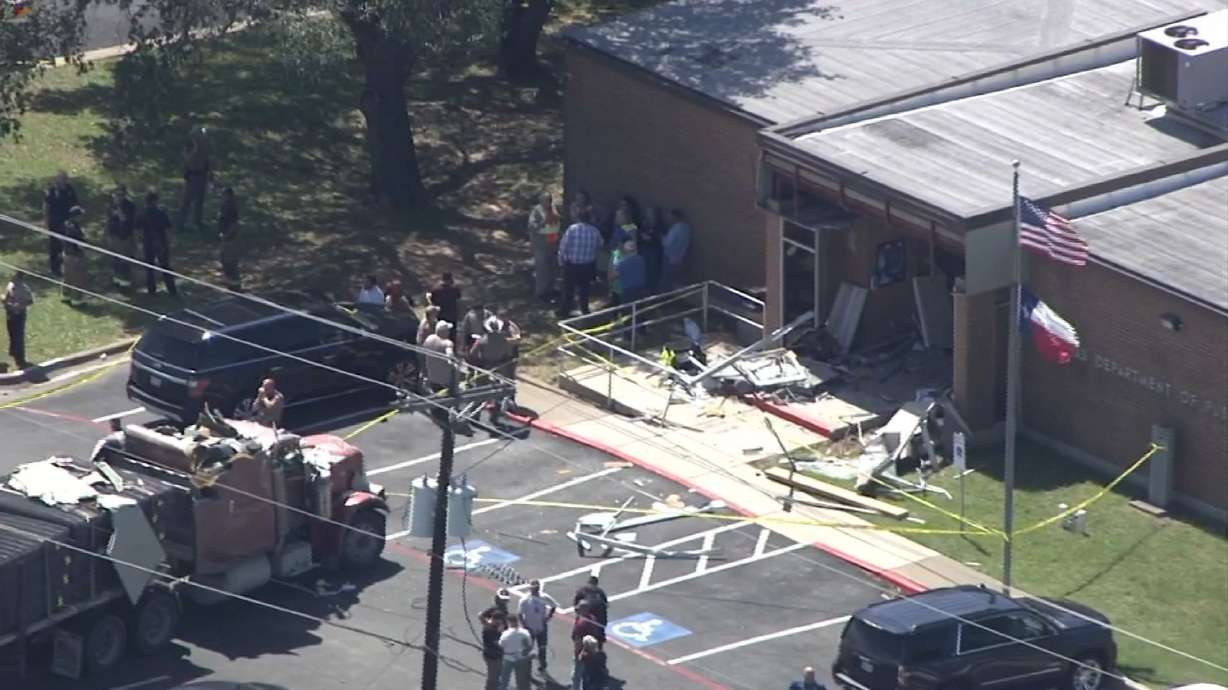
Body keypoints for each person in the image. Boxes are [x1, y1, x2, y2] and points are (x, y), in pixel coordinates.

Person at [557, 206, 602, 318]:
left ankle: (564, 311)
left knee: (568, 290)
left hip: (572, 265)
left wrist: (561, 261)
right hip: (587, 266)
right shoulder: (595, 231)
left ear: (578, 217)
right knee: (585, 289)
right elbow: (600, 244)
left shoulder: (572, 229)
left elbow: (563, 247)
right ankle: (585, 310)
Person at [138, 190, 178, 297]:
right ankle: (172, 290)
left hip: (148, 243)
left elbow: (138, 229)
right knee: (165, 266)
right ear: (156, 201)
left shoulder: (142, 213)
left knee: (149, 267)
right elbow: (167, 228)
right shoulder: (161, 213)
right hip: (161, 242)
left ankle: (152, 291)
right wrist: (169, 241)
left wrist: (140, 241)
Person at [517, 579, 558, 675]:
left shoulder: (544, 597)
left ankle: (542, 666)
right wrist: (525, 626)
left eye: (537, 588)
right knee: (527, 649)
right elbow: (520, 614)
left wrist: (548, 617)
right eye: (534, 588)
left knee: (542, 648)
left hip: (541, 628)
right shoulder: (524, 600)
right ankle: (525, 667)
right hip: (529, 628)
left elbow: (553, 605)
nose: (536, 590)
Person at [43, 171, 78, 277]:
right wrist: (46, 222)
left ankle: (69, 267)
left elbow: (75, 203)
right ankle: (55, 269)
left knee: (69, 244)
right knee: (54, 246)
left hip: (67, 221)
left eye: (65, 179)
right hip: (54, 222)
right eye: (61, 179)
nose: (64, 181)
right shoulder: (52, 191)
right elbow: (46, 206)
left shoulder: (70, 190)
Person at [527, 191, 560, 302]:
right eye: (546, 200)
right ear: (541, 201)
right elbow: (532, 227)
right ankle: (541, 293)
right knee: (542, 269)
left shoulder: (553, 208)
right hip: (541, 244)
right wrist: (543, 222)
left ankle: (550, 290)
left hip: (553, 243)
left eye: (550, 200)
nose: (548, 203)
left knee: (552, 268)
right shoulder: (536, 211)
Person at [178, 126, 211, 232]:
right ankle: (181, 223)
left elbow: (206, 160)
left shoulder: (205, 146)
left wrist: (210, 173)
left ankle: (198, 221)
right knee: (187, 200)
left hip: (202, 174)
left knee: (200, 200)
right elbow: (186, 158)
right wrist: (195, 149)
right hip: (192, 175)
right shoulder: (189, 145)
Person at [106, 185, 137, 286]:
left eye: (121, 195)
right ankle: (116, 279)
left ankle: (125, 282)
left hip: (125, 236)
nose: (118, 197)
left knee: (125, 260)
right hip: (114, 235)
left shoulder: (130, 206)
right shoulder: (111, 205)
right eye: (117, 195)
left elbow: (124, 219)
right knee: (115, 259)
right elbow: (109, 218)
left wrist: (118, 207)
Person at [570, 602, 605, 688]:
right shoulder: (592, 618)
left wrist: (577, 653)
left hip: (582, 651)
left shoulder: (581, 624)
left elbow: (577, 639)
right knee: (588, 675)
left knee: (576, 676)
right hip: (591, 651)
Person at [3, 271, 34, 370]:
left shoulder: (22, 288)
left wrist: (19, 306)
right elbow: (8, 297)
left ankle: (20, 359)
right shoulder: (12, 285)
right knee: (12, 333)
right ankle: (13, 352)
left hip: (17, 314)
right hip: (12, 313)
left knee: (17, 335)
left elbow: (30, 301)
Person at [60, 206, 88, 304]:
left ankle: (65, 296)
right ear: (76, 216)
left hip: (66, 254)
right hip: (75, 256)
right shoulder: (75, 228)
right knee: (77, 278)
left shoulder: (66, 224)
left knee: (67, 276)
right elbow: (79, 243)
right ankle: (77, 300)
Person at [498, 614, 533, 690]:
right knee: (521, 680)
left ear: (508, 622)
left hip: (508, 658)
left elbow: (500, 646)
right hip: (521, 659)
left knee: (504, 679)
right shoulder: (525, 633)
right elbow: (529, 646)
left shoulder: (506, 634)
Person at [661, 208, 692, 291]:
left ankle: (664, 295)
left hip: (669, 258)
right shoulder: (686, 228)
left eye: (670, 217)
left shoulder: (675, 229)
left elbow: (667, 243)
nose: (668, 219)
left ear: (675, 217)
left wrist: (661, 238)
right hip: (680, 257)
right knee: (674, 278)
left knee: (666, 279)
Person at [422, 320, 456, 393]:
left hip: (431, 378)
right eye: (447, 330)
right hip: (444, 381)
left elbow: (423, 353)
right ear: (444, 332)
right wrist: (455, 364)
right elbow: (450, 356)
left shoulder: (429, 339)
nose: (449, 332)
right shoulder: (447, 343)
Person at [217, 187, 240, 287]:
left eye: (224, 195)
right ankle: (229, 279)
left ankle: (235, 282)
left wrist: (227, 235)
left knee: (229, 260)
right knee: (223, 259)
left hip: (230, 237)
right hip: (224, 235)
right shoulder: (224, 206)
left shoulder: (231, 208)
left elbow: (234, 224)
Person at [613, 241, 647, 306]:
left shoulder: (622, 263)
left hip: (628, 292)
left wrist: (615, 262)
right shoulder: (641, 259)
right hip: (641, 290)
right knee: (640, 311)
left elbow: (612, 276)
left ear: (625, 250)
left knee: (628, 312)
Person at [480, 605, 507, 690]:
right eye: (500, 622)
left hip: (497, 656)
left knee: (499, 674)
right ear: (496, 620)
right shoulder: (489, 630)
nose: (501, 623)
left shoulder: (493, 627)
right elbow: (498, 643)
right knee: (493, 679)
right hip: (492, 657)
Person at [639, 205, 665, 292]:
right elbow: (640, 234)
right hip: (645, 250)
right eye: (647, 213)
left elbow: (658, 239)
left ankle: (651, 292)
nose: (648, 215)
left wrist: (649, 237)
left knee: (652, 273)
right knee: (644, 272)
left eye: (650, 213)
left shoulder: (659, 226)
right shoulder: (645, 224)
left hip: (654, 252)